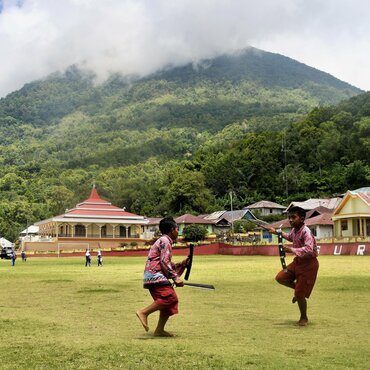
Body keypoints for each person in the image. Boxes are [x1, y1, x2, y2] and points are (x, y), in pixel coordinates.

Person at [136, 216, 189, 337]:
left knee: (169, 303)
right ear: (172, 230)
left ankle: (159, 330)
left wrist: (182, 265)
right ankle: (143, 312)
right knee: (170, 298)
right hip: (155, 276)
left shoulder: (164, 241)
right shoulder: (165, 241)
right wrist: (175, 278)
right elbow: (165, 263)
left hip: (153, 276)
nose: (178, 232)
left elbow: (166, 263)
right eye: (177, 229)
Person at [268, 206, 319, 326]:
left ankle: (304, 317)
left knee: (300, 294)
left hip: (309, 264)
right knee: (280, 278)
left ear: (301, 218)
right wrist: (276, 232)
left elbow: (308, 249)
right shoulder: (295, 230)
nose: (290, 220)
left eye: (293, 217)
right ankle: (299, 290)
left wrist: (291, 249)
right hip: (298, 261)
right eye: (289, 217)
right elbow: (290, 237)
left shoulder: (306, 231)